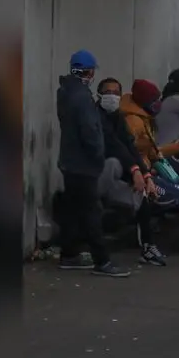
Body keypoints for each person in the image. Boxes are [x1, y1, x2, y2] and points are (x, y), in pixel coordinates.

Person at [55, 50, 126, 277]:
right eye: (92, 70)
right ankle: (102, 261)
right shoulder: (82, 97)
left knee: (74, 210)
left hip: (69, 161)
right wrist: (98, 155)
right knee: (92, 211)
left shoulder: (65, 92)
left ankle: (69, 255)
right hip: (83, 164)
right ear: (87, 71)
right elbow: (90, 132)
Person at [96, 78, 168, 266]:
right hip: (96, 176)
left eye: (116, 92)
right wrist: (135, 170)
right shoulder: (95, 116)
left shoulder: (118, 117)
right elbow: (113, 145)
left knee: (141, 193)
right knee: (113, 164)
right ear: (99, 94)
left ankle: (148, 247)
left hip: (117, 176)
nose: (112, 96)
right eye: (107, 92)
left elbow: (129, 147)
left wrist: (145, 175)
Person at [119, 78, 179, 184]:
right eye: (154, 100)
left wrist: (178, 147)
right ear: (144, 102)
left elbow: (153, 152)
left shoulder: (145, 118)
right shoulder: (134, 122)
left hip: (151, 166)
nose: (158, 103)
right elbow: (134, 153)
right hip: (143, 174)